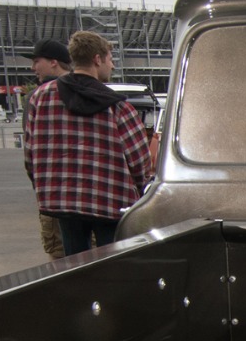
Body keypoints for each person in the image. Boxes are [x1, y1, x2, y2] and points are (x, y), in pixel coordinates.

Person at [23, 31, 154, 256]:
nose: (112, 66)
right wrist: (142, 190)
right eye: (110, 60)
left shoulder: (40, 98)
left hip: (62, 200)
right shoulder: (118, 107)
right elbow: (139, 161)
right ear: (97, 59)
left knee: (74, 264)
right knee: (110, 263)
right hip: (110, 201)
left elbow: (30, 155)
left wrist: (45, 186)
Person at [20, 39, 73, 259]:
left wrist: (40, 187)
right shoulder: (93, 91)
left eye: (36, 61)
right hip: (93, 198)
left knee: (61, 260)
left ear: (54, 63)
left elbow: (30, 153)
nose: (33, 68)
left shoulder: (38, 97)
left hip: (54, 197)